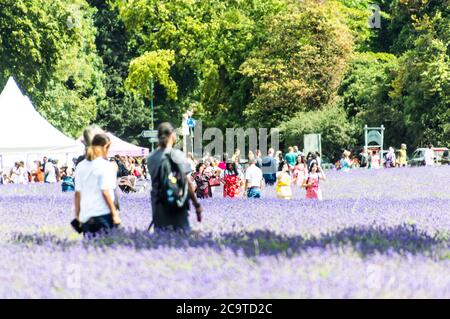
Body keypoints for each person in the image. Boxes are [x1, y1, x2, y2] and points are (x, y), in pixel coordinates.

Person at [147, 122, 202, 232]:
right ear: (172, 135)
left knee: (161, 239)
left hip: (159, 206)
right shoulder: (178, 155)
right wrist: (197, 205)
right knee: (181, 238)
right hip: (178, 204)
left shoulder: (151, 158)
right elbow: (187, 183)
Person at [74, 133, 121, 236]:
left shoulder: (80, 166)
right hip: (103, 215)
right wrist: (114, 214)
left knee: (90, 248)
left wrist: (77, 215)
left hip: (86, 215)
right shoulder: (106, 166)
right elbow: (105, 192)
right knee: (106, 248)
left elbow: (77, 194)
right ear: (104, 147)